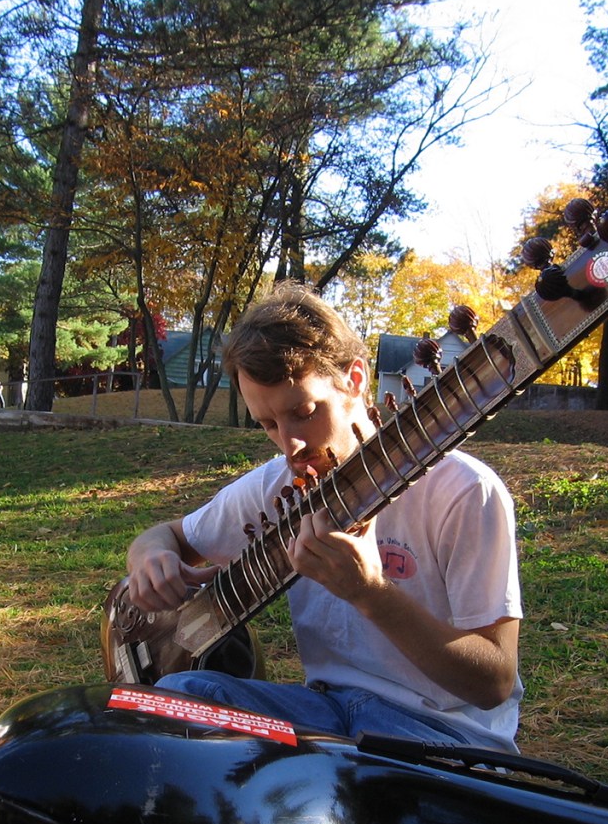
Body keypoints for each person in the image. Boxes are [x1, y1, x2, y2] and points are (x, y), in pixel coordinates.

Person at [126, 280, 524, 755]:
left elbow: (494, 682)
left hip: (442, 732)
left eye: (304, 411)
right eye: (269, 424)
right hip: (326, 714)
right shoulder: (277, 484)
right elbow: (165, 536)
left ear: (354, 379)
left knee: (338, 785)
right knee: (178, 704)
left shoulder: (464, 491)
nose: (290, 444)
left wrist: (370, 594)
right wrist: (151, 557)